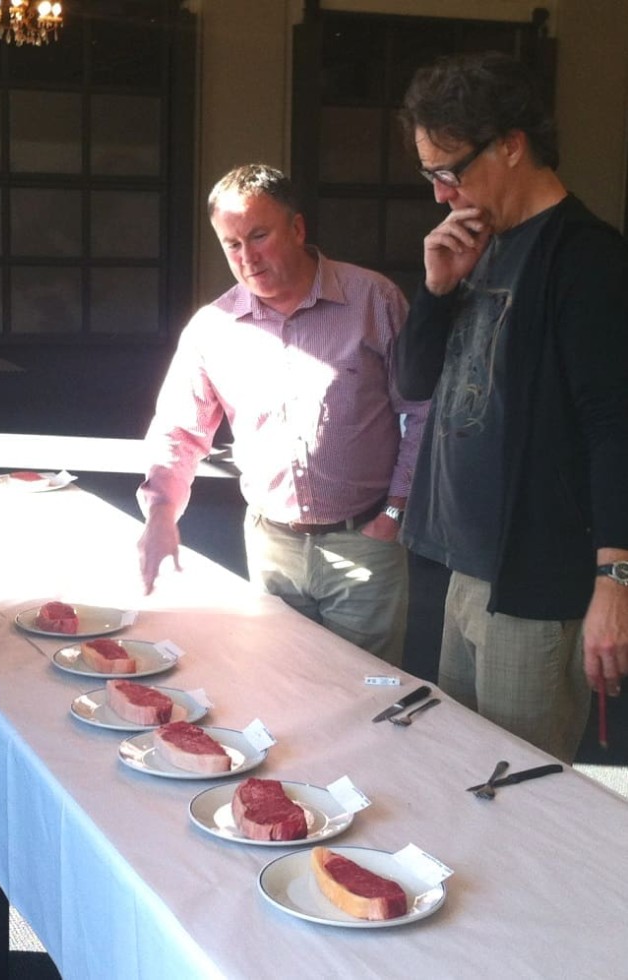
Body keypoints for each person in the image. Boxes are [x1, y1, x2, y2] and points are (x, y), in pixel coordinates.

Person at [395, 51, 628, 762]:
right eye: (430, 174)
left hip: (533, 583)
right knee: (461, 775)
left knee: (519, 791)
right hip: (459, 566)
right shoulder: (477, 241)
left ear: (511, 145)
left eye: (450, 171)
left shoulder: (587, 258)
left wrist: (614, 581)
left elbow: (614, 426)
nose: (441, 194)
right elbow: (412, 380)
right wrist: (435, 292)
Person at [138, 164, 429, 664]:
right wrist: (161, 513)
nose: (246, 257)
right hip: (272, 543)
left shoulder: (372, 299)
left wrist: (395, 512)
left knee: (365, 699)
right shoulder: (214, 327)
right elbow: (178, 431)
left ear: (297, 228)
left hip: (364, 542)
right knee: (281, 689)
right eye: (231, 244)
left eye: (259, 235)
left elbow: (421, 410)